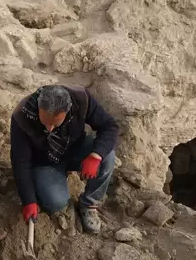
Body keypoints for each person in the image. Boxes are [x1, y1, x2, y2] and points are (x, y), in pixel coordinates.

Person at [10, 84, 119, 234]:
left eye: (55, 123)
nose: (49, 129)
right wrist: (29, 200)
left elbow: (110, 126)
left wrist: (95, 156)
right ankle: (55, 186)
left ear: (67, 112)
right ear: (39, 107)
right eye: (45, 122)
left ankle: (89, 204)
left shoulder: (81, 99)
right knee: (55, 202)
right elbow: (20, 162)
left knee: (107, 156)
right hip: (44, 162)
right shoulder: (22, 115)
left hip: (75, 148)